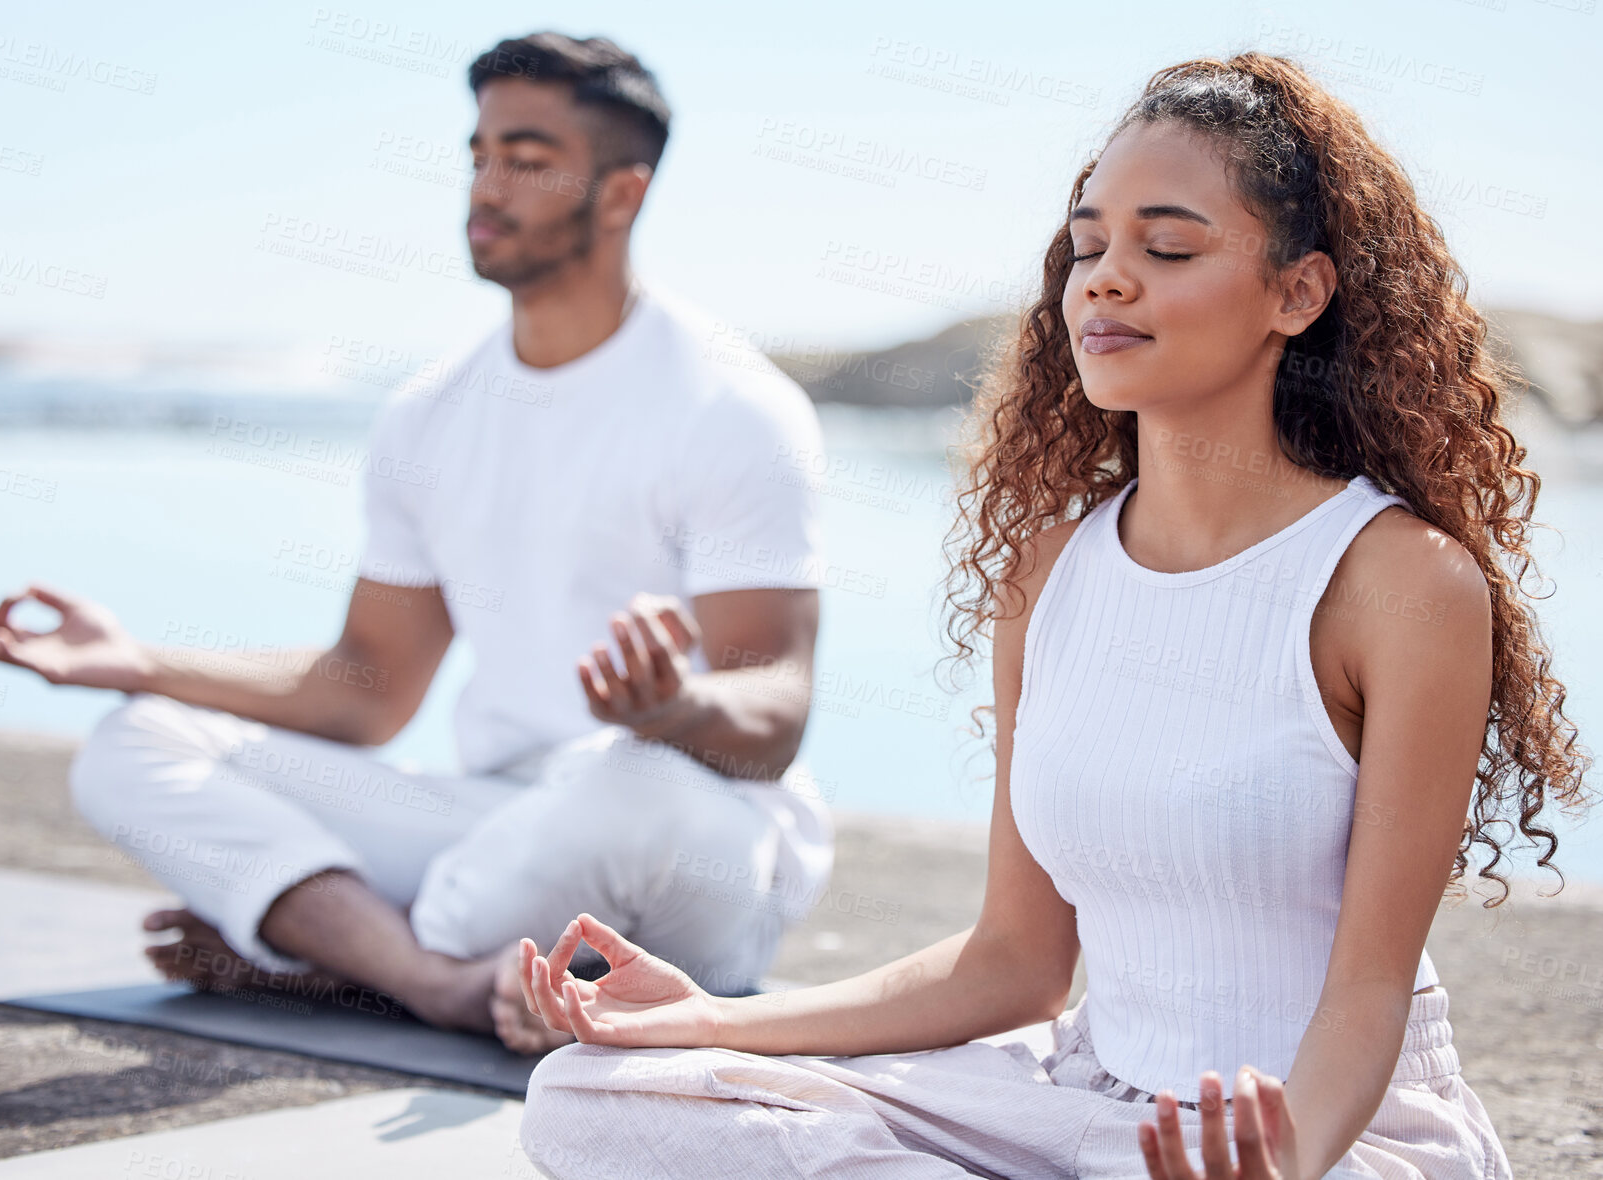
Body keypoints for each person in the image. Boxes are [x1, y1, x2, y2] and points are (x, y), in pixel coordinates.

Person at [512, 53, 1590, 1177]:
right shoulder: (1050, 572)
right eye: (1088, 247)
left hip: (1325, 1133)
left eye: (1165, 248)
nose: (1105, 281)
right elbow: (1013, 964)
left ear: (1298, 292)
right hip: (1082, 1097)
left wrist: (1280, 1160)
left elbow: (1368, 994)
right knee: (593, 1091)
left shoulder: (1399, 582)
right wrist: (705, 1017)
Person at [0, 32, 833, 1055]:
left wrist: (673, 706)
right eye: (479, 154)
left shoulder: (732, 406)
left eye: (529, 158)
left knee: (619, 782)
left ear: (622, 194)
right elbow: (368, 688)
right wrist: (140, 662)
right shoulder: (429, 414)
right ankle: (434, 980)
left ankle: (336, 959)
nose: (487, 186)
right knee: (133, 742)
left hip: (691, 835)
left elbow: (775, 712)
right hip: (492, 829)